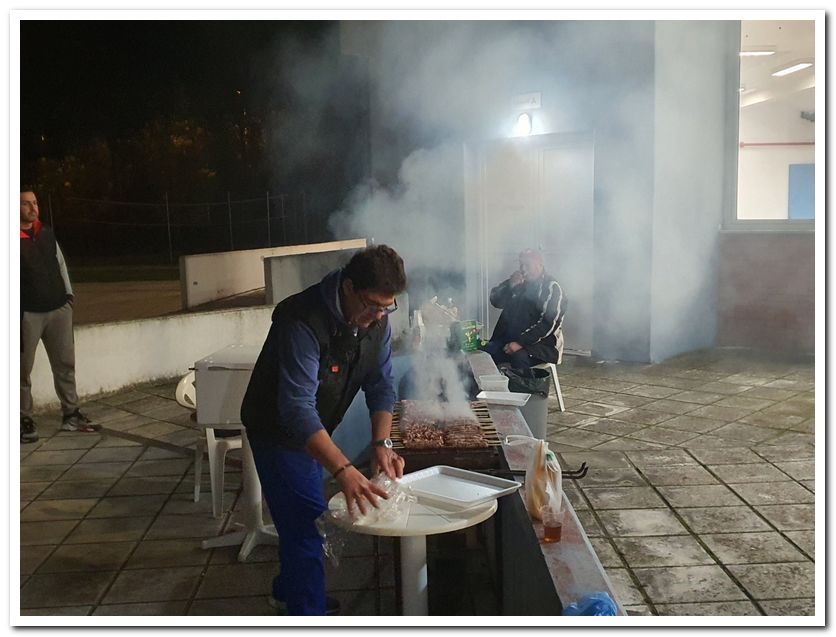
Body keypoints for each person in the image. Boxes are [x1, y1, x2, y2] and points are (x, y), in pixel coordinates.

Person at [240, 244, 408, 616]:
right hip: (277, 431)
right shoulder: (301, 319)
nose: (379, 316)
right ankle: (307, 613)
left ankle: (289, 590)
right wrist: (344, 468)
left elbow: (382, 385)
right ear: (348, 287)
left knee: (297, 515)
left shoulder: (375, 323)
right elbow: (296, 409)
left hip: (314, 429)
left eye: (387, 307)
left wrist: (382, 441)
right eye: (373, 305)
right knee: (309, 523)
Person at [20, 189, 99, 443]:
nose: (33, 208)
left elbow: (61, 263)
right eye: (25, 204)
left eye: (35, 202)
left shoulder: (46, 233)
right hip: (26, 315)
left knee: (65, 365)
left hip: (58, 310)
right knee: (20, 371)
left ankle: (71, 415)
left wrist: (69, 296)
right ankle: (23, 419)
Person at [482, 249, 566, 369]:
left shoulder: (551, 288)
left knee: (519, 357)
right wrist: (510, 287)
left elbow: (548, 324)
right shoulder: (518, 281)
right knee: (483, 354)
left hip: (542, 346)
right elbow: (495, 301)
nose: (523, 269)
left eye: (527, 265)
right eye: (521, 264)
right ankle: (489, 387)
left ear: (539, 265)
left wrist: (520, 343)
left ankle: (524, 387)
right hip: (509, 340)